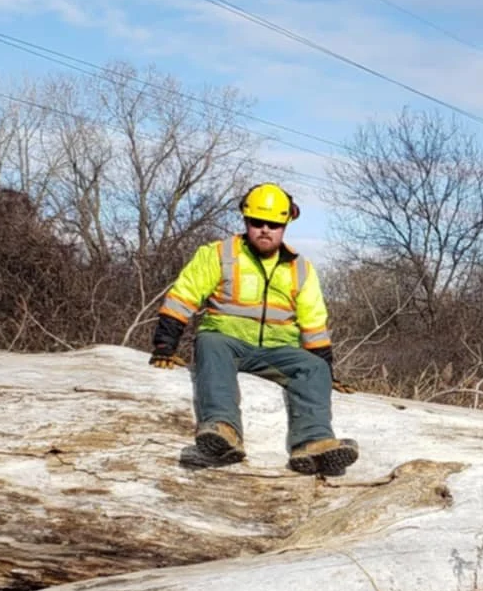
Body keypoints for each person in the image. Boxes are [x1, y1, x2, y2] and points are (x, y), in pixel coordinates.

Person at [149, 183, 359, 476]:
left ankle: (312, 442)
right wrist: (164, 346)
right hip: (226, 341)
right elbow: (183, 297)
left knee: (313, 367)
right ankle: (222, 430)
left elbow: (314, 324)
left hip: (277, 351)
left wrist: (326, 372)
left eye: (273, 224)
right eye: (257, 222)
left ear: (285, 225)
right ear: (245, 221)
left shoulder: (300, 268)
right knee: (209, 343)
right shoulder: (219, 254)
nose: (264, 229)